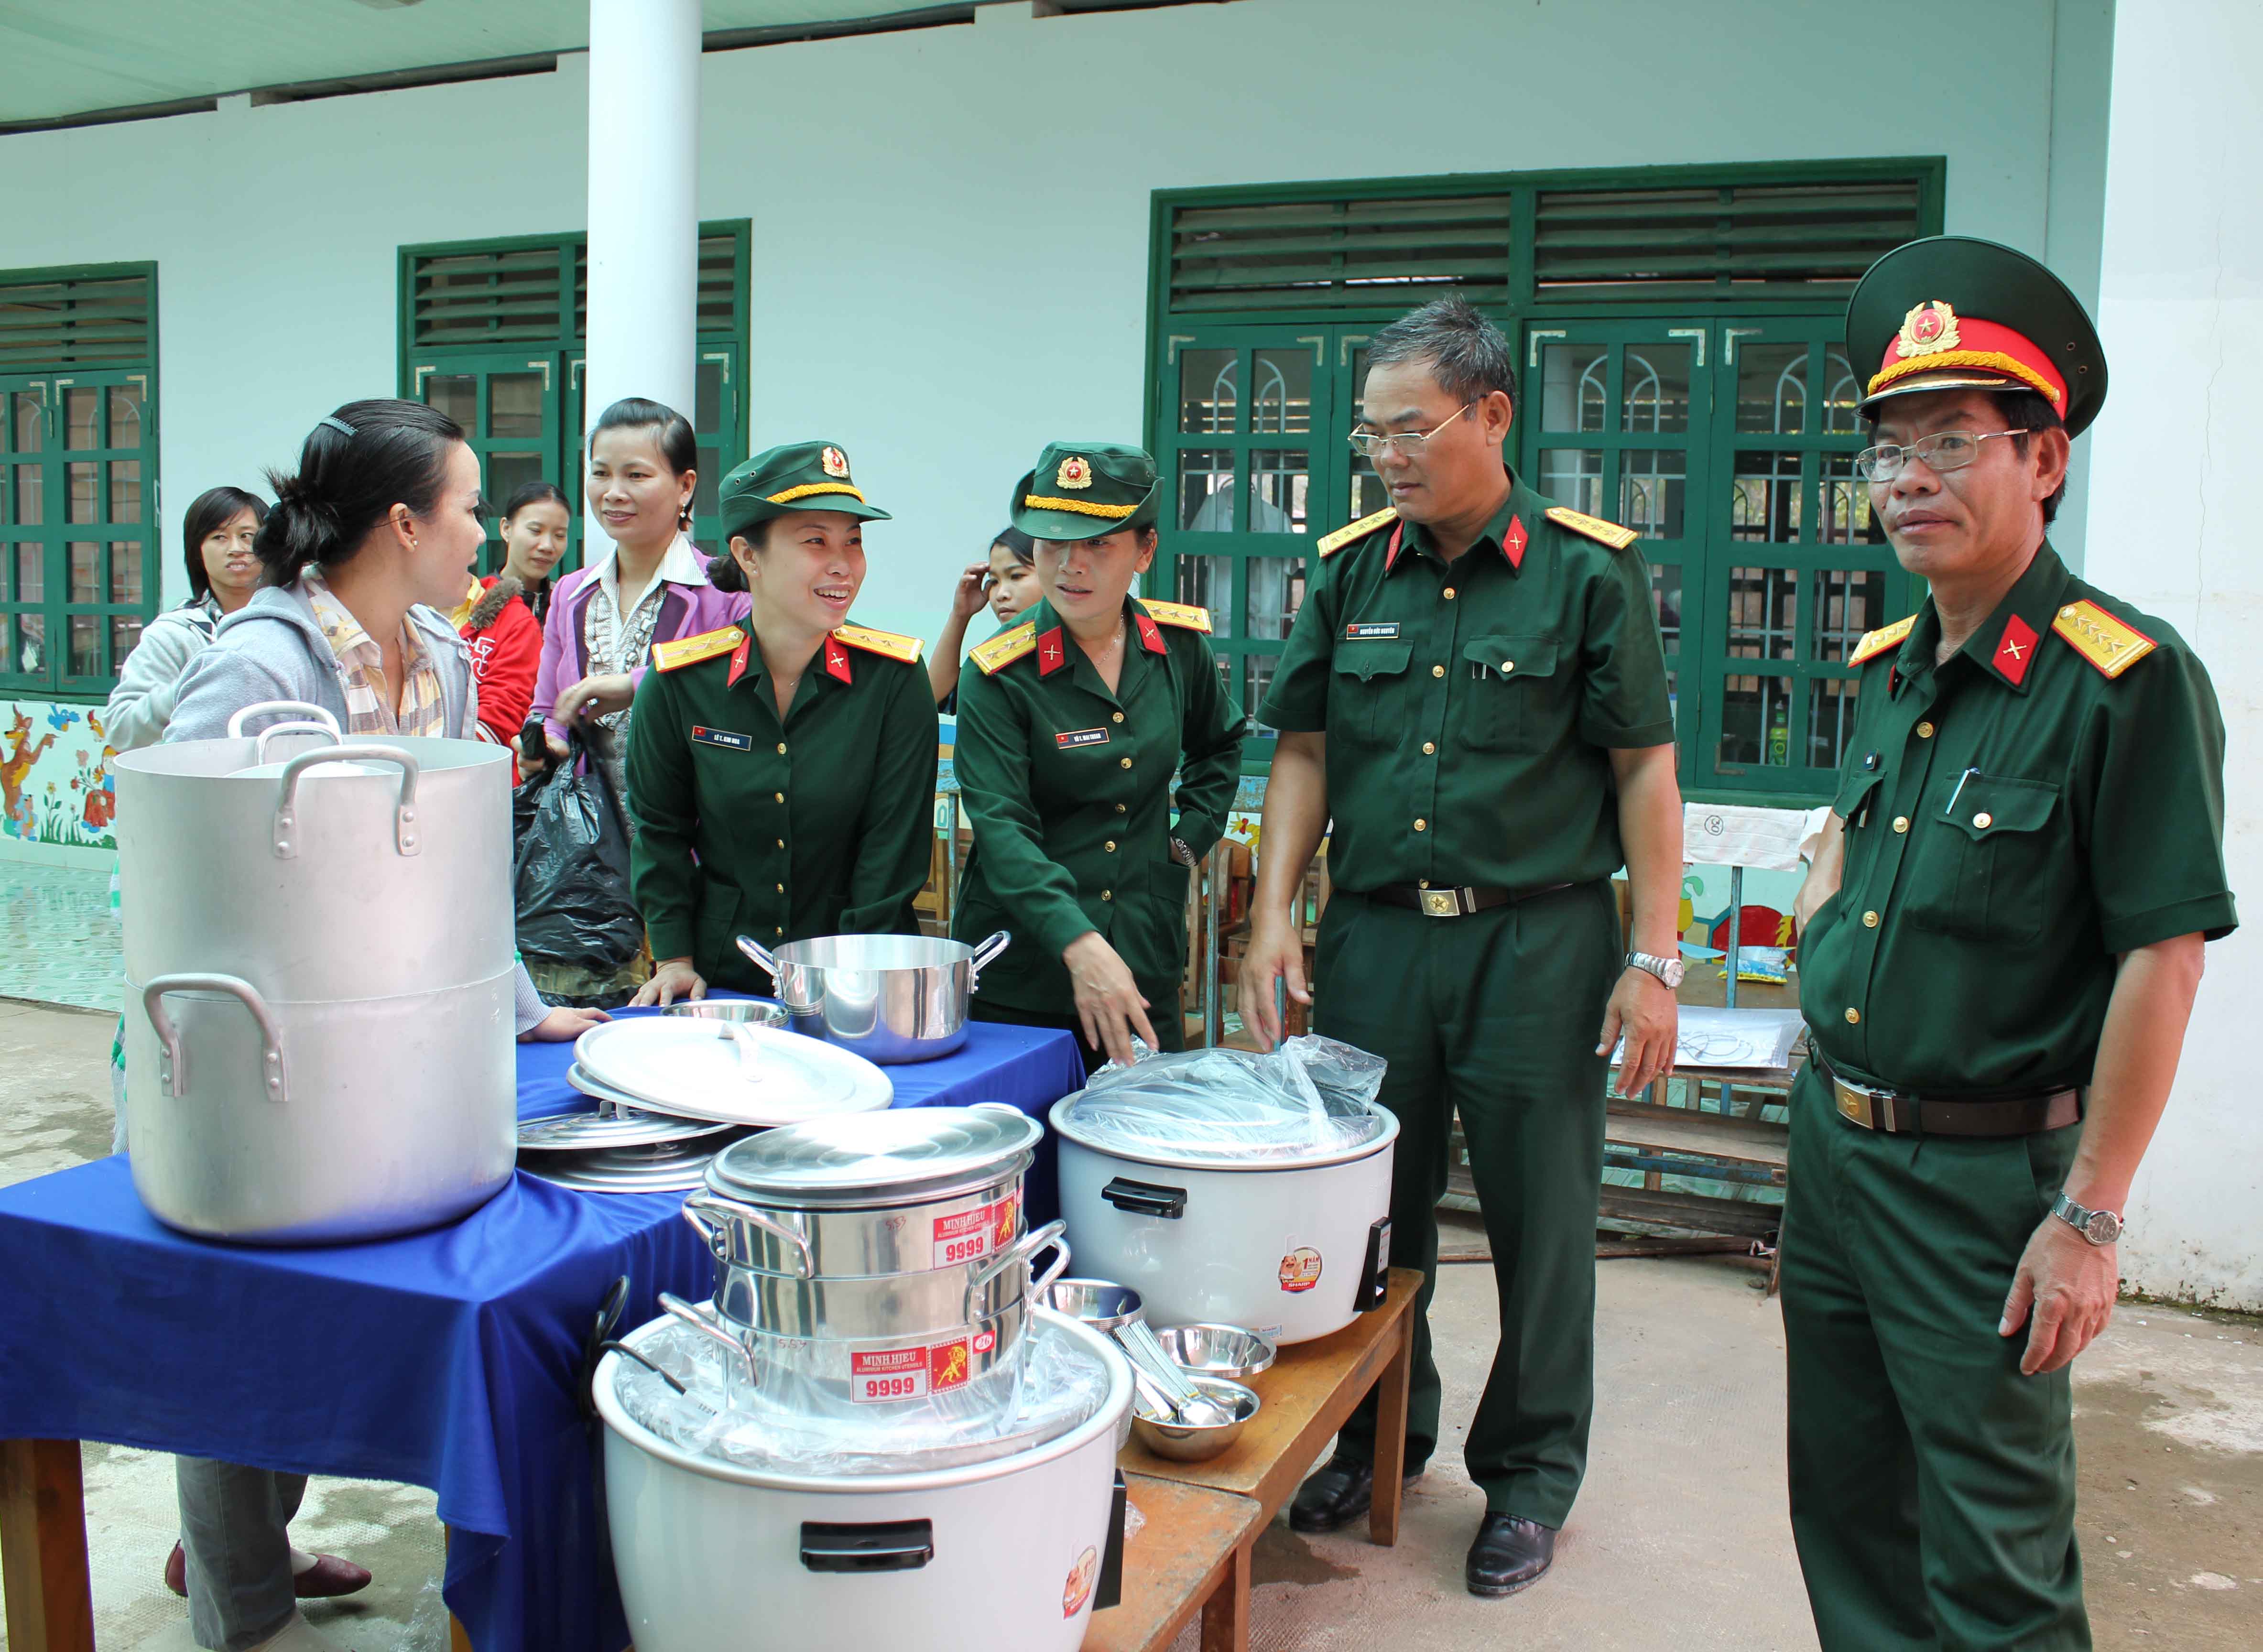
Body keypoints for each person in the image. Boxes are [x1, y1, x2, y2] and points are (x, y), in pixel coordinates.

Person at [1781, 238, 2234, 1652]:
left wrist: (2090, 1222)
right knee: (1848, 1514)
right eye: (1889, 448)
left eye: (1953, 443)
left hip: (1982, 1185)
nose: (1908, 476)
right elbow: (1859, 860)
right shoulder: (1889, 666)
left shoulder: (2125, 682)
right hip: (1835, 1154)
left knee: (1994, 1557)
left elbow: (2164, 961)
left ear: (2045, 462)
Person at [1237, 295, 1683, 1598]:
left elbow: (1643, 772)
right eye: (1366, 431)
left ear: (1488, 415)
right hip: (1376, 941)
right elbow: (1305, 750)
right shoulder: (1348, 569)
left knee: (1541, 1220)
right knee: (1370, 1217)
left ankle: (1529, 1481)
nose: (1382, 452)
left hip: (1536, 946)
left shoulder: (1586, 573)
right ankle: (1380, 1440)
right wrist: (1272, 914)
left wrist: (1650, 959)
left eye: (1406, 427)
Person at [158, 402, 603, 1652]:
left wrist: (520, 1012)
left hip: (393, 1053)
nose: (484, 533)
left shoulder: (445, 661)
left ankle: (262, 1550)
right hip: (268, 1054)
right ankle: (241, 1612)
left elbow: (457, 865)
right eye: (467, 508)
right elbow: (207, 886)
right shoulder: (261, 665)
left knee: (330, 1316)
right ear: (403, 522)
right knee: (250, 1323)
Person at [950, 442, 1242, 1073]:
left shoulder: (1177, 648)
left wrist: (1188, 839)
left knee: (1143, 1145)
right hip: (1023, 973)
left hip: (1142, 954)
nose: (1070, 566)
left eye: (1097, 545)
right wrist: (1077, 943)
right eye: (1053, 545)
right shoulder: (999, 674)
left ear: (1144, 551)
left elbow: (1219, 745)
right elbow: (1003, 829)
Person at [625, 441, 936, 1006]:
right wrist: (673, 958)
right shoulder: (680, 683)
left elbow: (892, 850)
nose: (842, 564)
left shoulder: (893, 680)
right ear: (748, 555)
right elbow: (661, 833)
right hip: (722, 981)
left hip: (860, 980)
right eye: (816, 541)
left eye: (854, 542)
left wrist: (849, 978)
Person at [528, 398, 747, 1000]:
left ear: (685, 486)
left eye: (636, 475)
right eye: (600, 473)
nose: (613, 492)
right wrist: (545, 738)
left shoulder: (724, 593)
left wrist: (636, 684)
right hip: (588, 861)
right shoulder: (570, 594)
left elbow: (734, 693)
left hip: (692, 853)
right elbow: (546, 706)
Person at [104, 487, 269, 752]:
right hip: (204, 781)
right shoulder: (174, 634)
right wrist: (194, 684)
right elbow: (120, 729)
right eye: (219, 537)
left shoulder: (295, 621)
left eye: (247, 536)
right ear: (197, 551)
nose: (236, 549)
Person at [928, 525, 1041, 708]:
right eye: (994, 581)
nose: (1001, 594)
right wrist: (960, 615)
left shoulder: (1088, 648)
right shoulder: (997, 661)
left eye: (1017, 576)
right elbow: (933, 696)